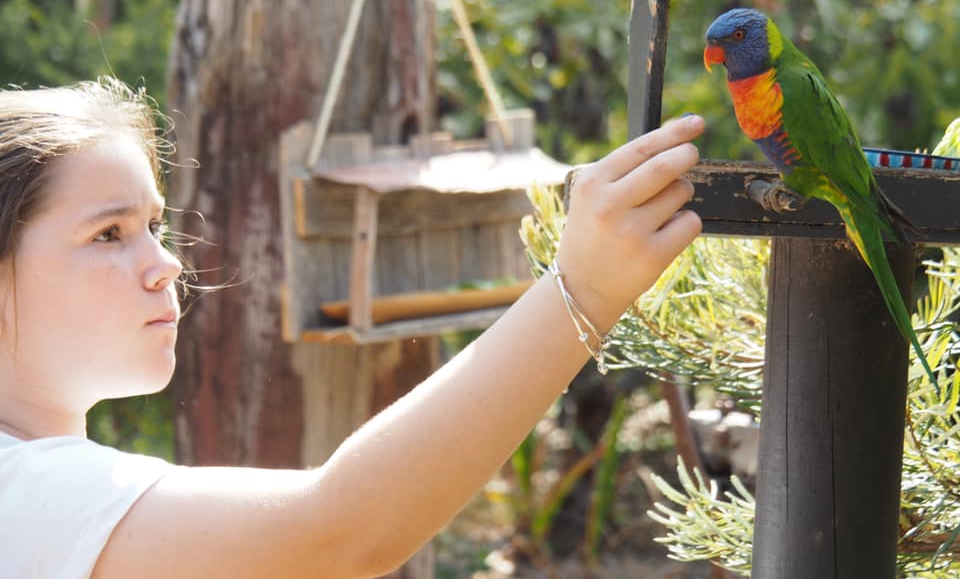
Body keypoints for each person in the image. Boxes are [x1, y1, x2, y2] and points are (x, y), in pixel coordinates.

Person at [0, 77, 704, 579]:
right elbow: (341, 531)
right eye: (107, 233)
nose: (164, 265)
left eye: (155, 226)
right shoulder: (30, 493)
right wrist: (581, 290)